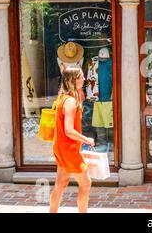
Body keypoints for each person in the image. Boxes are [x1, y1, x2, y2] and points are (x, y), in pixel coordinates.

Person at [49, 66, 95, 213]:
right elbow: (69, 130)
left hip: (61, 147)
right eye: (81, 77)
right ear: (74, 80)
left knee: (60, 184)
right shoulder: (70, 102)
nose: (84, 79)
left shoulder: (62, 98)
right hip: (69, 149)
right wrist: (86, 139)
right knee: (86, 183)